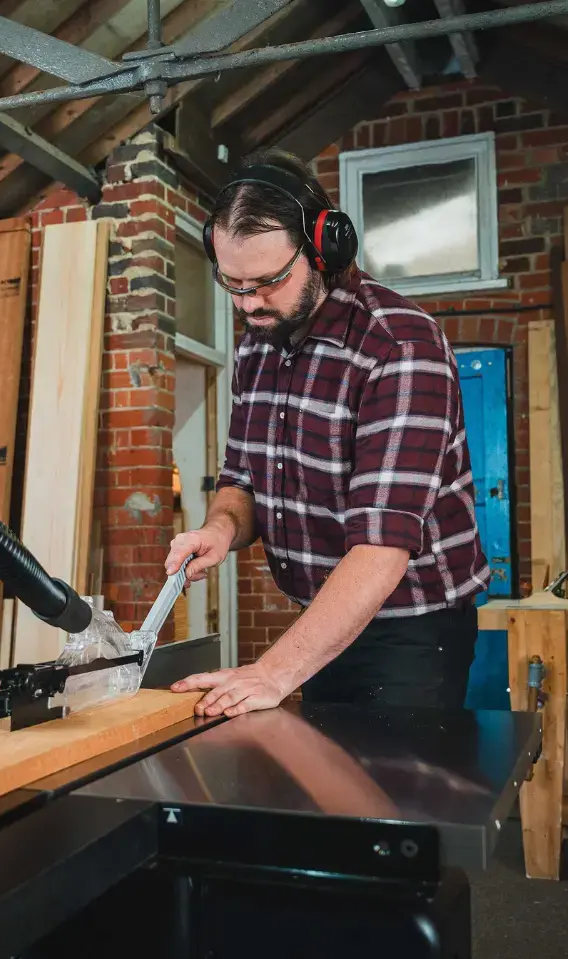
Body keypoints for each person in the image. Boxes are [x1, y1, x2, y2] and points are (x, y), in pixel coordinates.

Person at [167, 149, 489, 720]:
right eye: (232, 284)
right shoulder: (258, 344)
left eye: (268, 282)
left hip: (410, 633)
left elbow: (381, 547)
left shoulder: (398, 348)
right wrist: (220, 529)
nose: (249, 304)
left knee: (392, 803)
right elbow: (242, 476)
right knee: (331, 797)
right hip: (321, 620)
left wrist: (271, 673)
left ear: (324, 250)